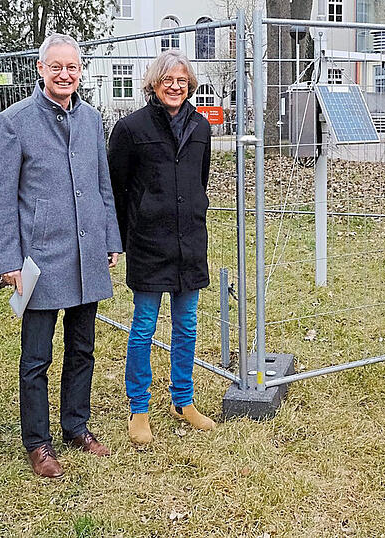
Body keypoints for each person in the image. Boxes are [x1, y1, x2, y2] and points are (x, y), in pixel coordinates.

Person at [0, 33, 122, 478]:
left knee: (83, 348)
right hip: (39, 260)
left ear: (80, 71)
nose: (65, 74)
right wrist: (8, 260)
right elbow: (0, 198)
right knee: (36, 357)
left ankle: (76, 425)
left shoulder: (91, 118)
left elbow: (102, 184)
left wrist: (110, 239)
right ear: (41, 69)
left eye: (73, 67)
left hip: (87, 253)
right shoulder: (14, 121)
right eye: (57, 66)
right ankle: (38, 441)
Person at [107, 50, 215, 445]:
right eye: (168, 80)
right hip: (149, 243)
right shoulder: (130, 128)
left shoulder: (200, 127)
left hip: (190, 242)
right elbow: (116, 189)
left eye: (182, 81)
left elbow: (199, 180)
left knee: (187, 326)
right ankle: (139, 408)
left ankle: (182, 401)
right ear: (154, 84)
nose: (175, 87)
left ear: (190, 86)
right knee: (143, 328)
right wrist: (118, 238)